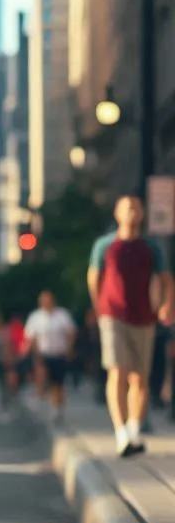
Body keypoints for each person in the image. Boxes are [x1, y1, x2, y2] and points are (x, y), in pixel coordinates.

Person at [88, 195, 174, 457]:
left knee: (140, 377)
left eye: (136, 208)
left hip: (144, 317)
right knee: (118, 371)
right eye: (127, 208)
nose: (132, 212)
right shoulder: (104, 245)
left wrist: (166, 305)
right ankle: (121, 432)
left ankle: (134, 428)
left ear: (142, 214)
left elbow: (166, 279)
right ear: (117, 213)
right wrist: (99, 308)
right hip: (113, 316)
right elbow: (94, 278)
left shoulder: (151, 248)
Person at [23, 289, 77, 426]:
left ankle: (57, 409)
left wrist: (69, 348)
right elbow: (31, 337)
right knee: (42, 378)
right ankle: (41, 398)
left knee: (58, 384)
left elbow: (71, 332)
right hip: (43, 355)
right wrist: (33, 353)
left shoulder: (62, 315)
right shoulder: (36, 317)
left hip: (59, 354)